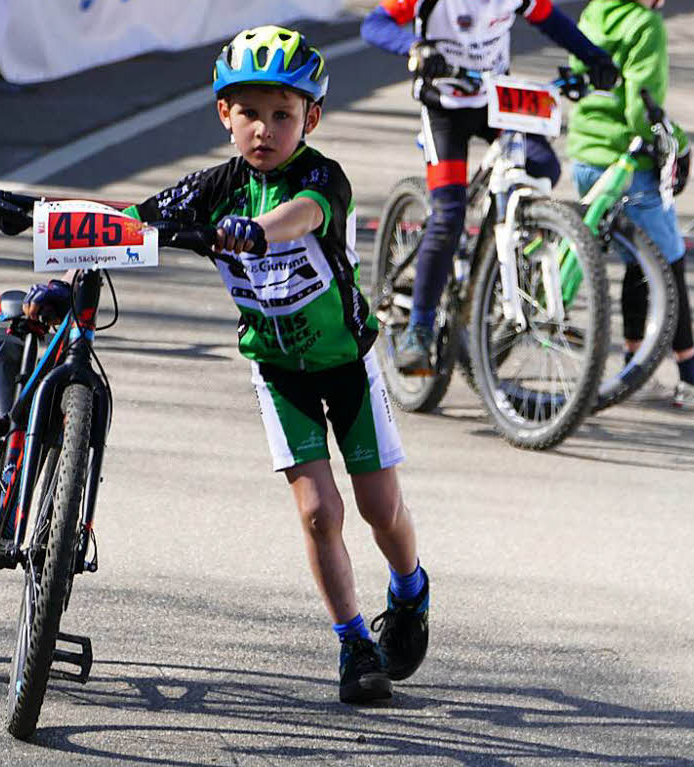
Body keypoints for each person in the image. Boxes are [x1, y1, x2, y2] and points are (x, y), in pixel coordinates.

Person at [24, 26, 428, 704]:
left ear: (312, 119)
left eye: (282, 114)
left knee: (378, 506)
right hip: (277, 371)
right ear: (224, 115)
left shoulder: (322, 178)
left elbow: (304, 216)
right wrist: (68, 275)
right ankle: (355, 642)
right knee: (318, 512)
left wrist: (258, 232)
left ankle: (410, 591)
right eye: (248, 114)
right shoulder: (214, 188)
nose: (264, 129)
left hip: (346, 365)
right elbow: (132, 222)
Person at [361, 0, 620, 375]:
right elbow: (374, 24)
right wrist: (415, 48)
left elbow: (553, 22)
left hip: (498, 101)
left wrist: (594, 57)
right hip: (444, 108)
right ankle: (418, 328)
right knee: (448, 215)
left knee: (543, 164)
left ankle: (502, 247)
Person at [567, 0, 694, 408]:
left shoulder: (594, 12)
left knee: (637, 259)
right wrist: (679, 145)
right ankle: (691, 376)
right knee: (669, 260)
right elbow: (641, 110)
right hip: (628, 162)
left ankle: (634, 362)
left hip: (587, 156)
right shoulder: (645, 25)